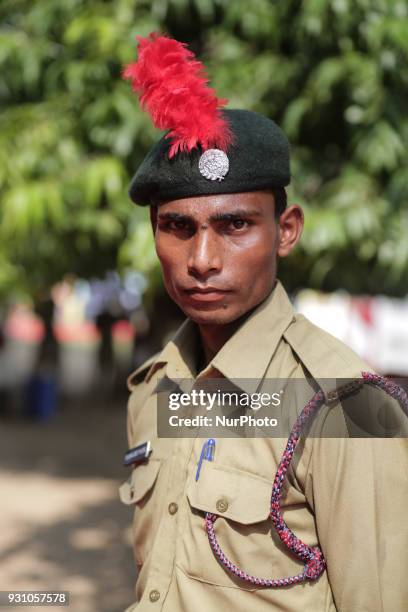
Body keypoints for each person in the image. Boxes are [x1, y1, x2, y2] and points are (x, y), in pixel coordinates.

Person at [119, 33, 407, 611]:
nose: (202, 259)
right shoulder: (158, 387)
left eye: (235, 226)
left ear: (288, 230)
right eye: (178, 227)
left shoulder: (348, 407)